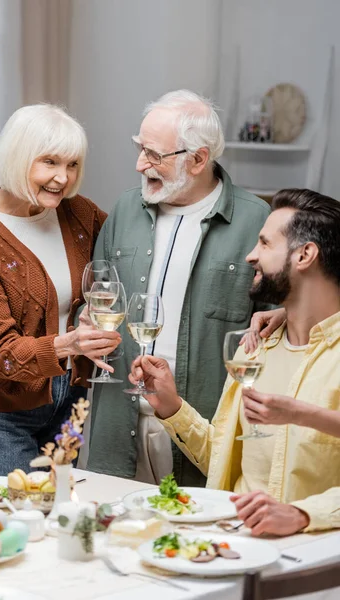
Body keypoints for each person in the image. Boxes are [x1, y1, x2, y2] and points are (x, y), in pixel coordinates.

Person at [86, 90, 272, 486]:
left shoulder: (257, 221)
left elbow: (279, 326)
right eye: (140, 149)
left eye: (154, 155)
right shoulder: (124, 210)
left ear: (199, 158)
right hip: (118, 425)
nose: (140, 165)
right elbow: (98, 297)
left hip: (201, 427)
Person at [129, 188, 340, 536]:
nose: (249, 256)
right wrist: (172, 407)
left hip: (310, 565)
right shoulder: (255, 349)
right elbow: (223, 461)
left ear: (305, 255)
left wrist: (303, 514)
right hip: (232, 544)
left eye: (265, 244)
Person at [0, 104, 121, 476]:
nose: (62, 178)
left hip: (70, 398)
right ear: (18, 158)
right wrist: (71, 344)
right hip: (4, 413)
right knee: (18, 526)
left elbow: (120, 258)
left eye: (72, 164)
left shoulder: (79, 214)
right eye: (49, 162)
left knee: (59, 516)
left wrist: (88, 312)